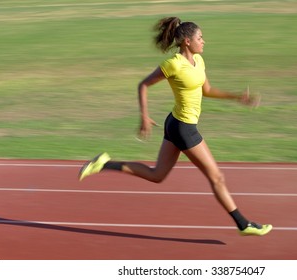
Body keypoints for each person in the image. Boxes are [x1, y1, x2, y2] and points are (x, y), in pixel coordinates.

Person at [79, 17, 272, 236]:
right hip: (183, 128)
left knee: (157, 175)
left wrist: (237, 97)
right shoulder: (173, 64)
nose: (204, 41)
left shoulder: (199, 61)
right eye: (200, 38)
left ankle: (103, 164)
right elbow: (143, 84)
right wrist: (144, 116)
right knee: (216, 177)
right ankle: (243, 224)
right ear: (187, 41)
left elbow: (206, 90)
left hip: (175, 123)